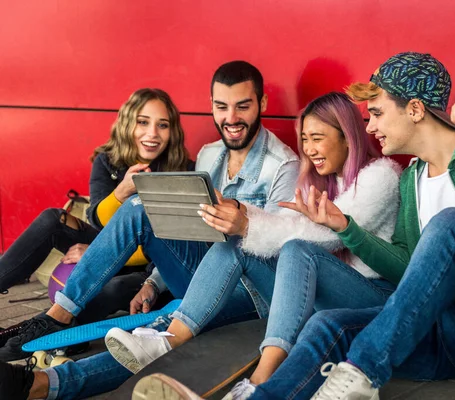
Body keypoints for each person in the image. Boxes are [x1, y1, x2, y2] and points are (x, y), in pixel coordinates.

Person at [133, 51, 455, 400]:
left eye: (378, 113)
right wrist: (347, 228)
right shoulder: (414, 181)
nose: (370, 125)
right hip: (441, 334)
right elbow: (406, 269)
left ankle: (363, 369)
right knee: (330, 326)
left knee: (449, 223)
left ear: (415, 109)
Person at [0, 60, 300, 400]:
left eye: (243, 106)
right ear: (211, 106)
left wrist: (245, 224)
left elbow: (283, 253)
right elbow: (185, 233)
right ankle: (60, 314)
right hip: (201, 274)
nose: (231, 118)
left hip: (251, 292)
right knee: (139, 208)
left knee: (157, 335)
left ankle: (38, 385)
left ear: (261, 104)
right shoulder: (209, 155)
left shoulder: (284, 165)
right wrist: (152, 282)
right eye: (221, 106)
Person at [103, 91, 401, 398]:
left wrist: (247, 223)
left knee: (297, 249)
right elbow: (285, 224)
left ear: (348, 138)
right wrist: (239, 212)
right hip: (320, 293)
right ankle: (169, 339)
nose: (309, 149)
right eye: (305, 139)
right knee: (236, 243)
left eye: (317, 138)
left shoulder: (381, 176)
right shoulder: (319, 180)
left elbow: (324, 237)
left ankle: (259, 382)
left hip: (368, 296)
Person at [0, 87, 191, 341]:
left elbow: (173, 245)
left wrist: (97, 253)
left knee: (114, 288)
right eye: (143, 122)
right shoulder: (108, 161)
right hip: (108, 244)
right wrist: (122, 190)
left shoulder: (185, 171)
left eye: (163, 125)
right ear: (127, 123)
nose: (152, 134)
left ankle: (29, 334)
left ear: (172, 132)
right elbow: (97, 219)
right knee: (52, 219)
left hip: (149, 269)